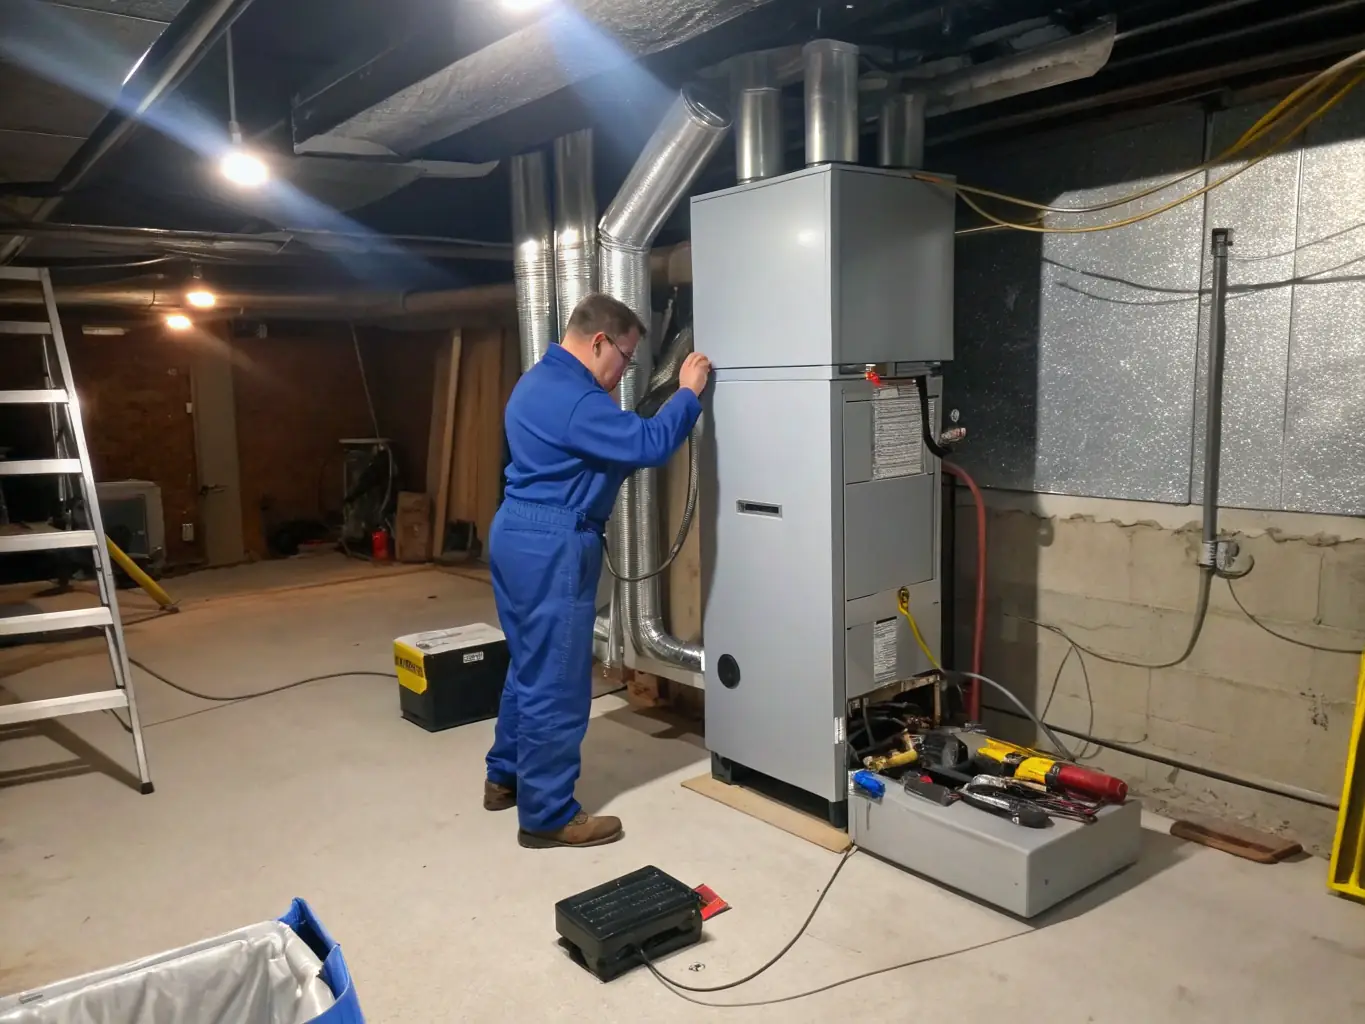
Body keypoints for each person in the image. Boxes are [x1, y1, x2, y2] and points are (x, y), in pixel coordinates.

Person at [484, 292, 711, 848]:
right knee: (558, 682)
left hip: (517, 532)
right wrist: (688, 393)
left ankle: (505, 777)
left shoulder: (535, 383)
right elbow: (652, 443)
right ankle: (548, 814)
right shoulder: (578, 401)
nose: (624, 372)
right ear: (599, 341)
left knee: (530, 665)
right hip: (553, 543)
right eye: (625, 359)